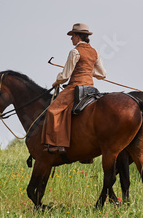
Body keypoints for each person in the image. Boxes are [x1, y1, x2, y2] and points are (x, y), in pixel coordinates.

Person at [42, 23, 107, 153]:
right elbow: (103, 74)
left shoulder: (75, 52)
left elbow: (65, 75)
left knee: (53, 110)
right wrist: (90, 71)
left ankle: (57, 144)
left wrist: (56, 81)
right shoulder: (95, 52)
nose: (71, 38)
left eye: (72, 36)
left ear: (78, 36)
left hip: (75, 87)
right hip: (90, 89)